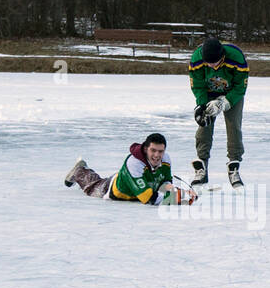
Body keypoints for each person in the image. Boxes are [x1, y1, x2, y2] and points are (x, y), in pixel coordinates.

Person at [64, 132, 196, 204]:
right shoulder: (134, 163)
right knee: (91, 186)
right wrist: (182, 198)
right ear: (145, 149)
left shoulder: (166, 158)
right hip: (114, 191)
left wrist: (179, 191)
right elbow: (149, 198)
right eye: (153, 150)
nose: (157, 155)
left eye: (160, 151)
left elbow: (164, 183)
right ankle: (79, 170)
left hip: (136, 185)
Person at [189, 37, 248, 187]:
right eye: (208, 63)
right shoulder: (196, 58)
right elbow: (197, 84)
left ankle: (234, 166)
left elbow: (240, 86)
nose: (212, 66)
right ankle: (202, 166)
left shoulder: (237, 57)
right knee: (204, 124)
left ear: (222, 56)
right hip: (208, 93)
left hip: (231, 94)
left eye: (215, 63)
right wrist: (201, 104)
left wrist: (225, 102)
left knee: (233, 125)